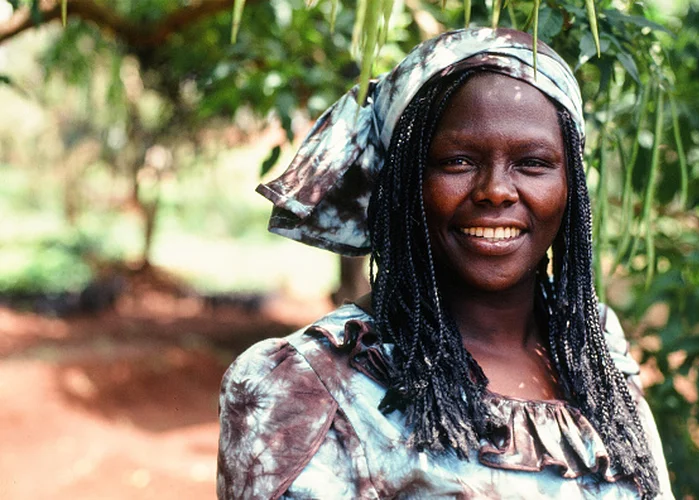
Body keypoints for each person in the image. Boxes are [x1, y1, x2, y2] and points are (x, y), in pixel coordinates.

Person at [217, 27, 674, 499]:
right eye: (457, 161)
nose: (496, 190)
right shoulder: (307, 386)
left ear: (571, 184)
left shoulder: (592, 347)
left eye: (533, 163)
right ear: (404, 183)